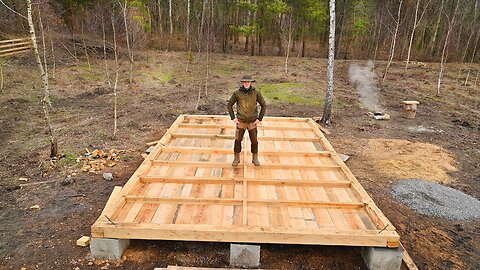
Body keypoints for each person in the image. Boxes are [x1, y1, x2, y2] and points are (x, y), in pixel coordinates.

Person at [227, 75, 266, 166]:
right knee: (237, 140)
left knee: (254, 141)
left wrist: (259, 119)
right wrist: (233, 117)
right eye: (245, 82)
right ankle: (236, 158)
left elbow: (264, 105)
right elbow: (229, 104)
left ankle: (254, 158)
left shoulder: (256, 92)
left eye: (248, 82)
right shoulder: (237, 93)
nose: (246, 83)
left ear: (251, 82)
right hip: (241, 122)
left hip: (252, 122)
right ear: (242, 82)